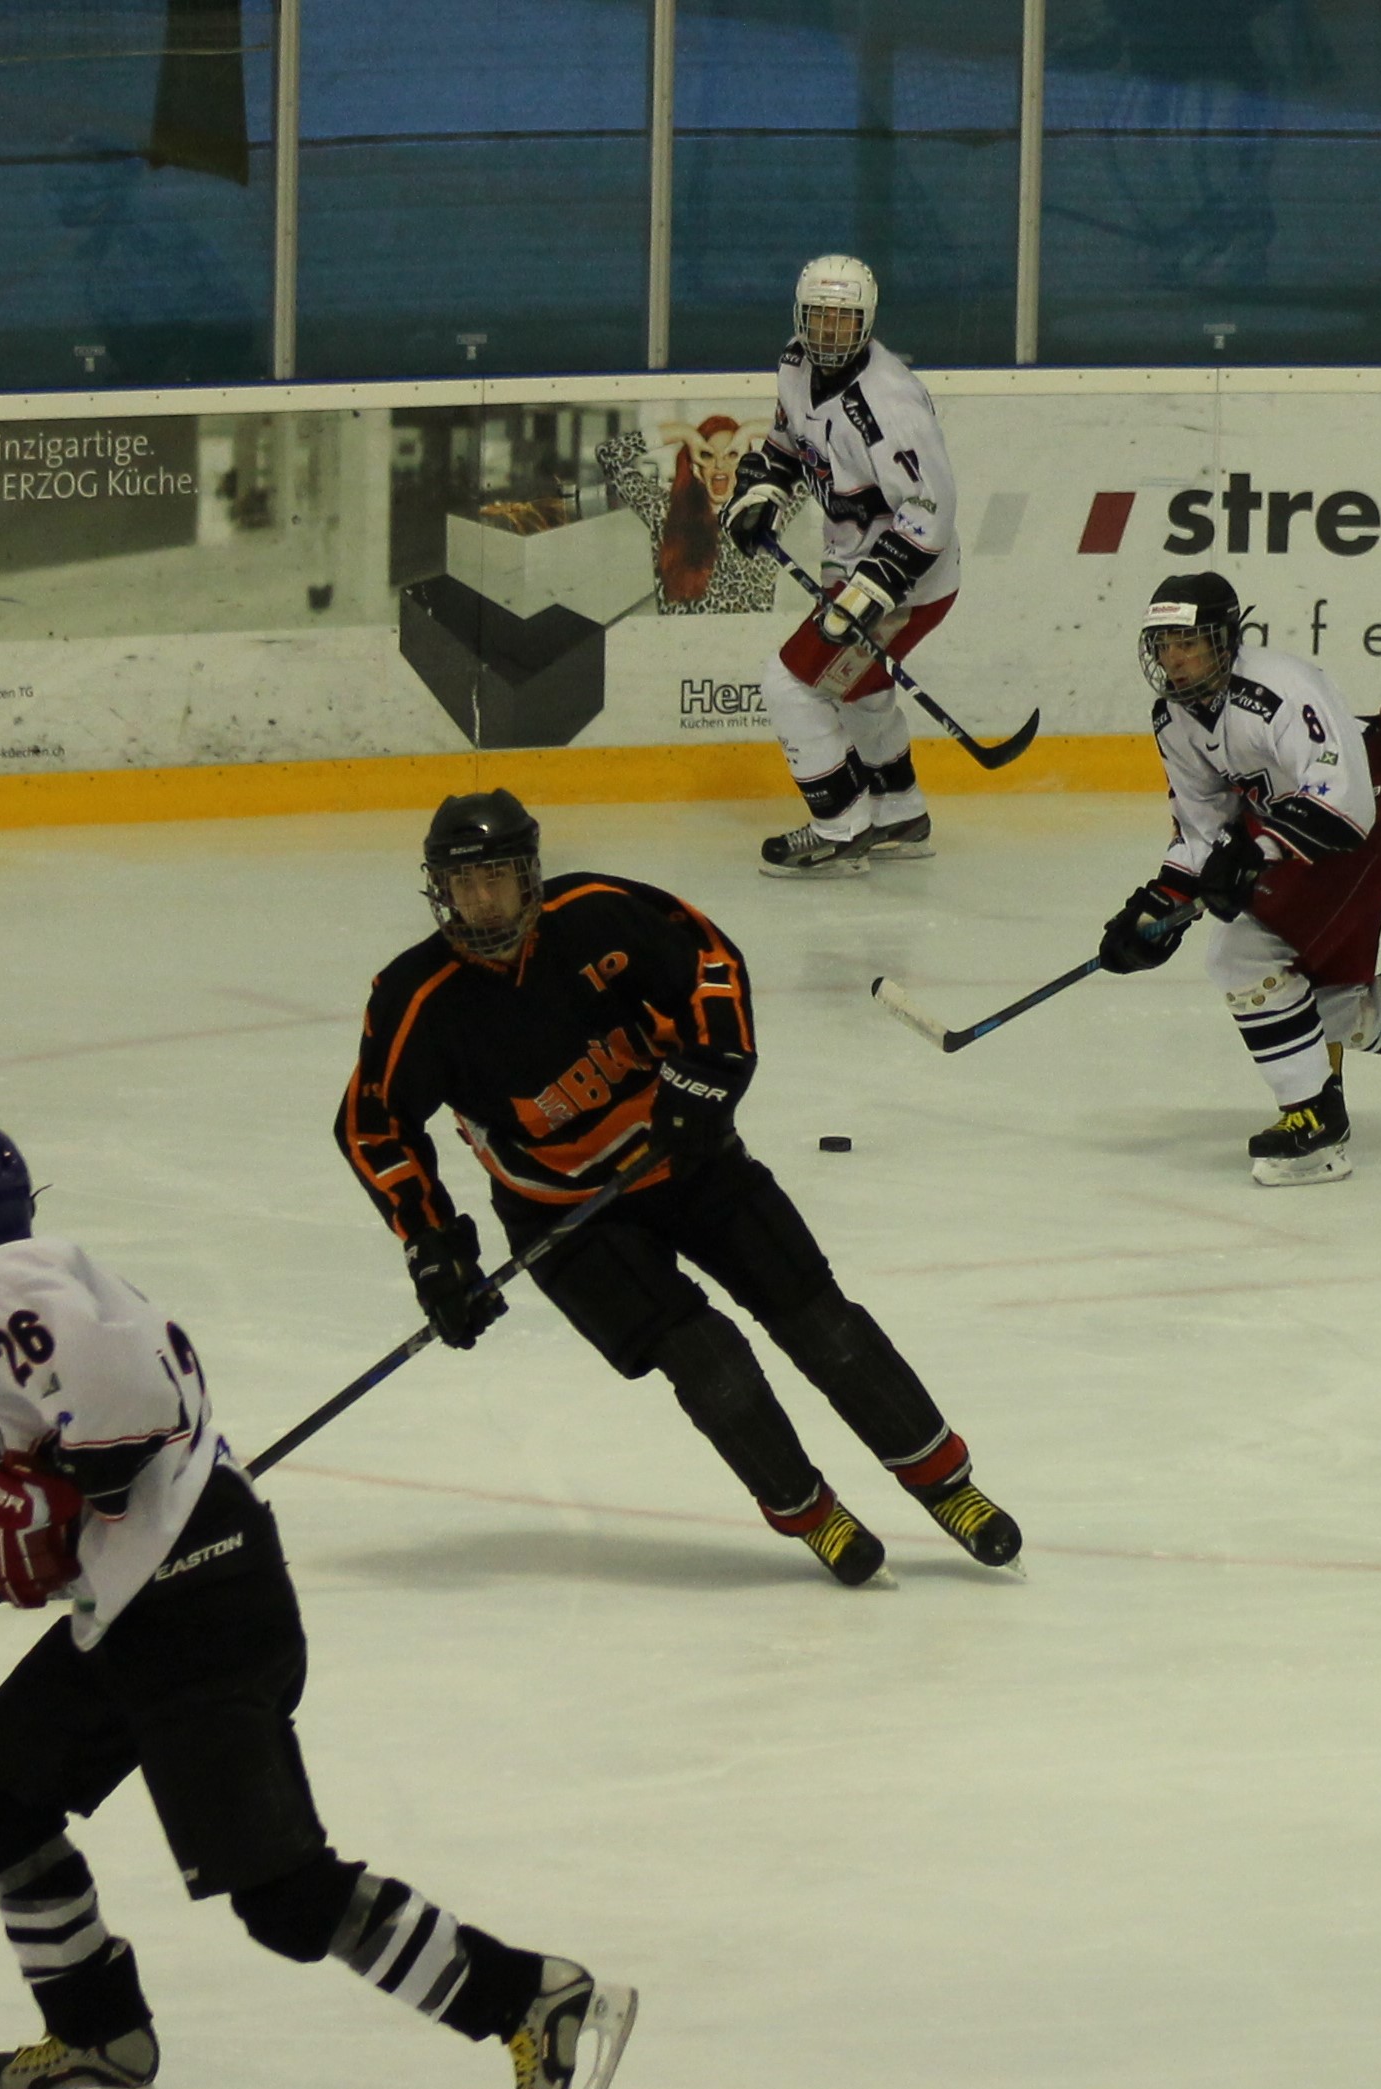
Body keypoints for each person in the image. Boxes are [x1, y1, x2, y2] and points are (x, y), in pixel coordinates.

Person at [0, 1122, 637, 2089]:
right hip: (142, 1606)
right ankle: (99, 2038)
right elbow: (13, 1496)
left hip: (197, 1600)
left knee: (284, 1898)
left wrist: (66, 1494)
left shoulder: (1, 1280)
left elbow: (131, 1410)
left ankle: (530, 1999)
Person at [338, 790, 1022, 1584]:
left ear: (529, 875)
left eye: (496, 878)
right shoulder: (415, 999)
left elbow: (709, 964)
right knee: (707, 1359)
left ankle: (946, 1485)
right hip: (567, 1217)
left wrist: (709, 1074)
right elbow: (374, 1126)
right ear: (440, 890)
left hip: (688, 1158)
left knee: (819, 1319)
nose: (482, 901)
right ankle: (812, 1513)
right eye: (464, 884)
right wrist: (434, 1249)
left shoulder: (597, 914)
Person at [1094, 572, 1381, 1184]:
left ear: (1224, 639)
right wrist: (1158, 906)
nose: (1173, 659)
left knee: (1242, 957)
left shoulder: (1281, 690)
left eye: (1188, 642)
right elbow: (1202, 827)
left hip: (1378, 820)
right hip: (1309, 833)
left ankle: (1315, 1124)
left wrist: (1255, 851)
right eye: (1163, 645)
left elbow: (1344, 803)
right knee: (1322, 1006)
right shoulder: (1174, 719)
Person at [725, 254, 964, 878]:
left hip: (909, 583)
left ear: (867, 322)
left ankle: (839, 827)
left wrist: (875, 588)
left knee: (791, 684)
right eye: (818, 318)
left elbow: (931, 510)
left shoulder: (889, 403)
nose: (829, 333)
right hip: (850, 563)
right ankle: (900, 813)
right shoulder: (794, 363)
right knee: (859, 688)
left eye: (844, 320)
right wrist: (764, 489)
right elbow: (788, 442)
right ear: (799, 317)